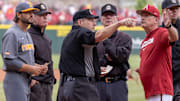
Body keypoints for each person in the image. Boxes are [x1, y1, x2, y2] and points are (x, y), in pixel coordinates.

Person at [56, 9, 136, 101]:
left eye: (94, 20)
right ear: (80, 22)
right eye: (90, 20)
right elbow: (98, 35)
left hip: (66, 86)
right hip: (80, 87)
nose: (94, 24)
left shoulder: (71, 36)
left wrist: (96, 69)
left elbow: (78, 63)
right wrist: (119, 23)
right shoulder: (81, 32)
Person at [1, 2, 48, 101]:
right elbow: (9, 61)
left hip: (25, 79)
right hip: (15, 79)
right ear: (18, 14)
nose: (31, 15)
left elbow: (24, 59)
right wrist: (31, 69)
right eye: (28, 12)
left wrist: (37, 67)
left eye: (32, 12)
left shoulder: (26, 33)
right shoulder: (12, 33)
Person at [136, 4, 178, 101]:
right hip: (150, 91)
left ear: (156, 20)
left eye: (146, 15)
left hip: (161, 90)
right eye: (142, 15)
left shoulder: (161, 32)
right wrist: (141, 69)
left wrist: (169, 26)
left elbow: (174, 38)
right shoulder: (144, 41)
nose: (142, 18)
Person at [96, 4, 132, 101]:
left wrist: (106, 39)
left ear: (116, 18)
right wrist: (98, 66)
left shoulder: (124, 38)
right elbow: (89, 60)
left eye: (111, 15)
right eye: (105, 15)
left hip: (118, 83)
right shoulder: (95, 38)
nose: (108, 17)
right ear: (101, 18)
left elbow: (120, 57)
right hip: (99, 84)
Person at [28, 3, 56, 101]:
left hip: (48, 85)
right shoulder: (28, 36)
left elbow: (48, 61)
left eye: (46, 15)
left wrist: (52, 79)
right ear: (33, 17)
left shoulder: (46, 38)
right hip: (36, 86)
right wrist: (31, 81)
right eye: (41, 15)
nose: (45, 18)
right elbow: (23, 61)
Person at [161, 0, 180, 100]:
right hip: (164, 78)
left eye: (176, 8)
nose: (174, 11)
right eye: (171, 9)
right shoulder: (158, 30)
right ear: (164, 11)